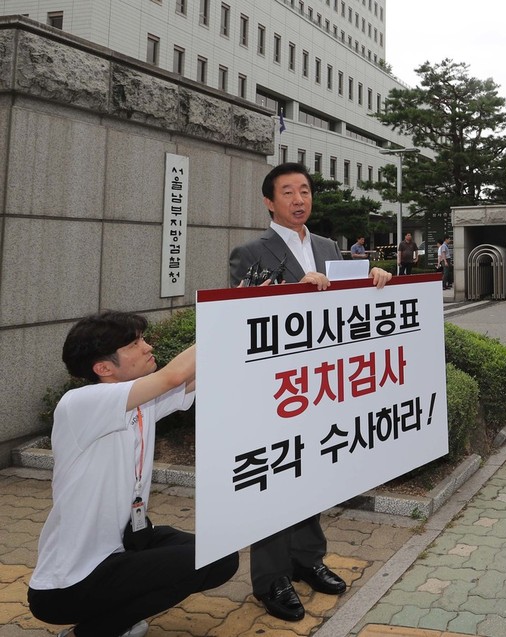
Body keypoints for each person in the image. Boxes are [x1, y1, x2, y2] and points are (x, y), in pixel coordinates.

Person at [230, 163, 391, 621]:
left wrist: (373, 278)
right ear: (268, 202)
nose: (299, 199)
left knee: (312, 473)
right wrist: (292, 291)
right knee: (275, 479)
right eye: (287, 192)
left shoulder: (327, 247)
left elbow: (349, 304)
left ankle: (307, 559)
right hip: (275, 390)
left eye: (305, 190)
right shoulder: (249, 251)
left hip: (320, 387)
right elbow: (241, 314)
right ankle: (270, 578)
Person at [27, 312, 238, 637]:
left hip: (128, 540)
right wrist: (228, 318)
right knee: (201, 561)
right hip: (70, 582)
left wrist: (250, 304)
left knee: (221, 558)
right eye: (135, 343)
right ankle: (92, 631)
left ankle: (115, 616)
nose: (147, 346)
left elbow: (201, 371)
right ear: (104, 368)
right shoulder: (80, 403)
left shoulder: (140, 400)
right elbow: (173, 376)